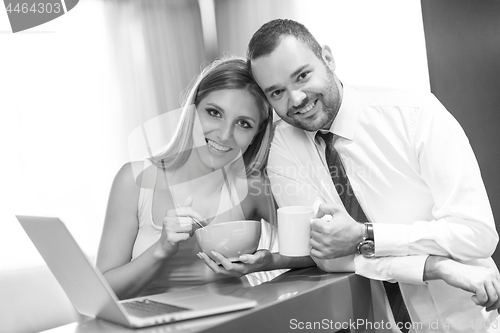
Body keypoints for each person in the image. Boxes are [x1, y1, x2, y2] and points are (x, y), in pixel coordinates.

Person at [244, 18, 500, 333]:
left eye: (302, 76)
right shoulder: (283, 150)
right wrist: (435, 265)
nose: (295, 99)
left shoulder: (416, 114)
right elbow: (329, 255)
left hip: (469, 320)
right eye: (277, 92)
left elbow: (477, 234)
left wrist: (367, 235)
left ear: (327, 58)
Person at [96, 56, 311, 299]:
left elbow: (321, 251)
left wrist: (268, 262)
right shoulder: (133, 180)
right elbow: (102, 291)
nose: (224, 134)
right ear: (192, 110)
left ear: (255, 135)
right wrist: (161, 248)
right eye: (214, 113)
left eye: (243, 123)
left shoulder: (251, 189)